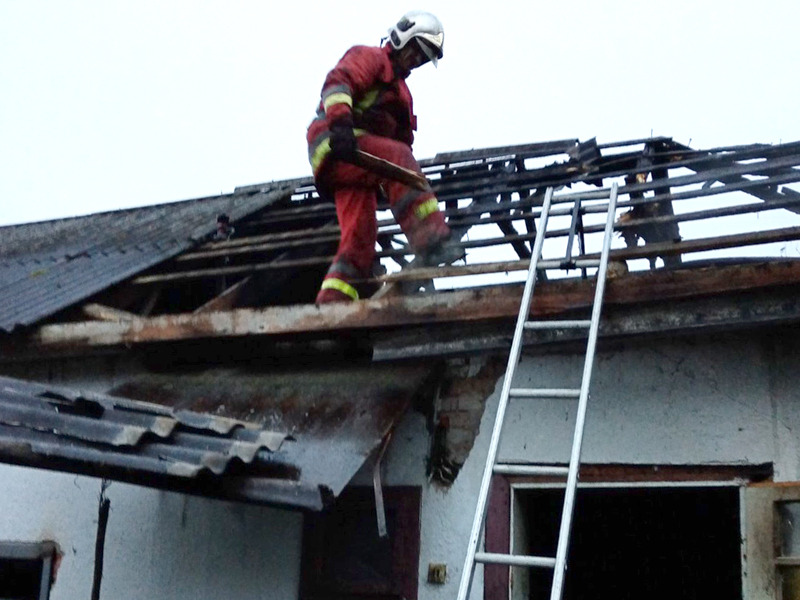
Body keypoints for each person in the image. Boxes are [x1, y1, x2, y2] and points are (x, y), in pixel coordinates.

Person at [307, 10, 463, 305]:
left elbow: (403, 143)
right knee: (398, 159)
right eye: (416, 51)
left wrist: (392, 181)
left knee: (360, 238)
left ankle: (331, 304)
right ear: (404, 36)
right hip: (336, 145)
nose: (416, 60)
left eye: (422, 57)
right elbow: (338, 82)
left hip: (358, 162)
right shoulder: (371, 58)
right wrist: (340, 125)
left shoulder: (402, 95)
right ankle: (431, 240)